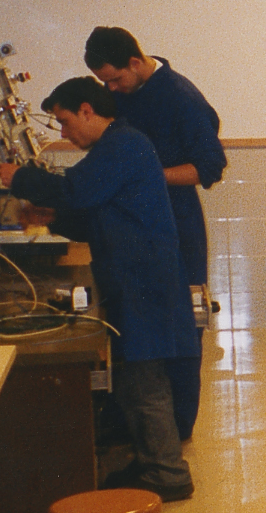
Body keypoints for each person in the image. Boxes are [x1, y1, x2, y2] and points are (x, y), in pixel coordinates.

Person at [0, 78, 198, 502]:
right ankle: (151, 460)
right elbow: (96, 215)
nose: (64, 132)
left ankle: (168, 474)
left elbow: (75, 191)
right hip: (136, 276)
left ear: (87, 110)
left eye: (65, 121)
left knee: (145, 380)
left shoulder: (122, 144)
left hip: (143, 280)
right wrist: (50, 218)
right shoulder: (118, 145)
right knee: (135, 378)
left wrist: (21, 178)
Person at [85, 27, 226, 444]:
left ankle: (177, 431)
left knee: (180, 329)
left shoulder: (180, 98)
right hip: (135, 227)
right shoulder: (125, 92)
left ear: (135, 62)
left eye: (115, 80)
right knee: (138, 329)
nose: (111, 90)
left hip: (177, 226)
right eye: (105, 83)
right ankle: (139, 424)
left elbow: (209, 168)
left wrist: (148, 176)